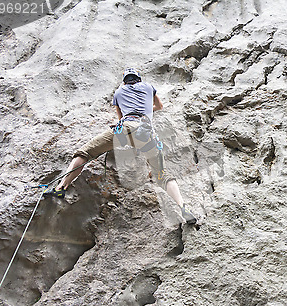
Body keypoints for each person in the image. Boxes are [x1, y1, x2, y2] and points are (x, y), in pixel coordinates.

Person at [44, 68, 197, 224]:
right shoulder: (148, 87)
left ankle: (61, 187)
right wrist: (146, 110)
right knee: (163, 175)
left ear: (124, 81)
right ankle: (183, 207)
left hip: (126, 128)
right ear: (139, 79)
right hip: (146, 132)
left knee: (84, 153)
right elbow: (159, 106)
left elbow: (120, 118)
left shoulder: (119, 92)